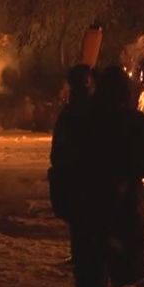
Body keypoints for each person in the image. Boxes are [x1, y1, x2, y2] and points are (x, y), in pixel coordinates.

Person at [50, 65, 144, 287]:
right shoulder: (133, 121)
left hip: (86, 213)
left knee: (90, 282)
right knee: (131, 285)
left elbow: (59, 159)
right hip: (123, 214)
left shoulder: (75, 118)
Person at [48, 65, 95, 229]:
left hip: (78, 182)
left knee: (81, 227)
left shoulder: (69, 114)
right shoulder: (98, 111)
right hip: (88, 182)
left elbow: (56, 154)